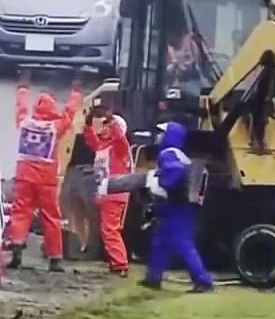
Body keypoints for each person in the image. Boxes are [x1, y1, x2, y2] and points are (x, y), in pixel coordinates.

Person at [5, 69, 83, 272]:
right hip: (46, 179)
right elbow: (70, 112)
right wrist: (75, 92)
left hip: (24, 176)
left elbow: (21, 106)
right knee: (51, 217)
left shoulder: (24, 123)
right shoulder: (55, 126)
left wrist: (23, 88)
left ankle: (16, 247)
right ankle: (55, 257)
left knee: (20, 212)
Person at [142, 121, 213, 293]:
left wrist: (158, 182)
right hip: (179, 206)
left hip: (174, 206)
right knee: (161, 242)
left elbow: (174, 173)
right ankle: (153, 278)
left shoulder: (168, 153)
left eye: (162, 133)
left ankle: (203, 281)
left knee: (184, 244)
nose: (158, 136)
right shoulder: (180, 154)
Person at [82, 103, 132, 276]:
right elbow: (91, 140)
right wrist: (88, 124)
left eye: (106, 126)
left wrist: (110, 122)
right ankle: (116, 262)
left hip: (114, 193)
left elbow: (119, 139)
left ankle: (120, 264)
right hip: (106, 193)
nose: (102, 129)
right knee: (107, 229)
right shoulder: (104, 146)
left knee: (111, 229)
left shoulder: (119, 147)